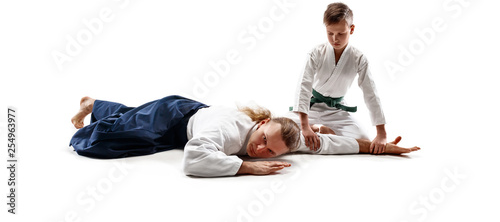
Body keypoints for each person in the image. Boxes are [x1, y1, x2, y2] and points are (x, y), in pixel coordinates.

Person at [70, 94, 419, 177]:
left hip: (192, 114)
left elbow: (327, 145)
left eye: (271, 152)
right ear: (262, 122)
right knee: (103, 143)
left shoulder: (281, 136)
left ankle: (96, 102)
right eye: (264, 140)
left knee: (130, 118)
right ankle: (94, 105)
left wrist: (377, 148)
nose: (262, 150)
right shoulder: (228, 132)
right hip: (172, 117)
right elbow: (192, 158)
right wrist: (244, 167)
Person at [289, 2, 388, 154]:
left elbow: (371, 94)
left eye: (341, 33)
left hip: (336, 110)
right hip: (310, 107)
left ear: (352, 29)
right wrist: (305, 127)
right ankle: (317, 129)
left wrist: (381, 133)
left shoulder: (359, 58)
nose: (335, 38)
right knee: (283, 130)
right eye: (330, 33)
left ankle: (323, 132)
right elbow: (304, 87)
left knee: (363, 138)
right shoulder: (316, 53)